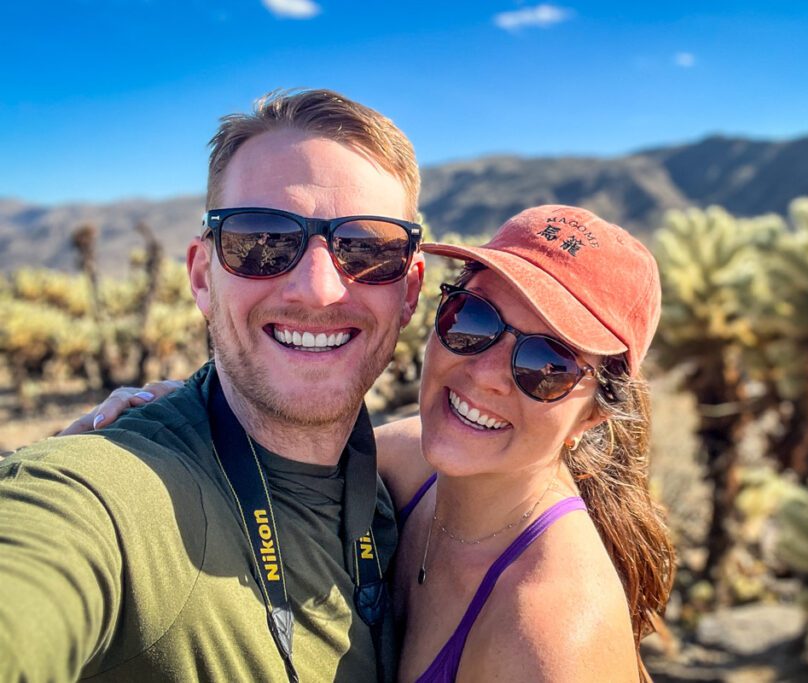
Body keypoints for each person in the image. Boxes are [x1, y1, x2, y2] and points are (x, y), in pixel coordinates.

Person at [71, 205, 677, 681]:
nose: (485, 373)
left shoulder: (550, 633)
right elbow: (268, 441)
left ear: (593, 415)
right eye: (473, 320)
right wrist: (160, 418)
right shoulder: (407, 462)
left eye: (547, 364)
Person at [0, 89, 424, 682]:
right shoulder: (110, 498)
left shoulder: (404, 492)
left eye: (367, 249)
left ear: (409, 290)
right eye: (263, 241)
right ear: (203, 277)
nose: (319, 289)